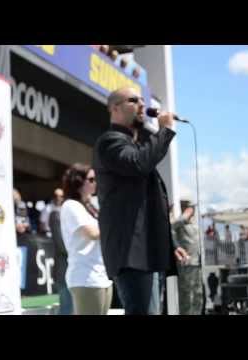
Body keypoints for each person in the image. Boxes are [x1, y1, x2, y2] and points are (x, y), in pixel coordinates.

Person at [93, 87, 188, 315]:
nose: (142, 105)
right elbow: (138, 163)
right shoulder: (110, 142)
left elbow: (145, 207)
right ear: (114, 108)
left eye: (143, 100)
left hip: (143, 250)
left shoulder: (130, 143)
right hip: (129, 251)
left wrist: (169, 244)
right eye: (134, 100)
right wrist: (164, 130)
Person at [60, 163, 113, 315]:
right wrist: (115, 223)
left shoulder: (91, 205)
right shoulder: (71, 206)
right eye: (91, 179)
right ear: (78, 182)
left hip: (101, 275)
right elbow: (93, 233)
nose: (95, 182)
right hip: (85, 277)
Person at [171, 199, 204, 315]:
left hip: (197, 264)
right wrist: (183, 217)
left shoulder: (193, 224)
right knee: (187, 297)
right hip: (186, 265)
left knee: (198, 295)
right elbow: (170, 227)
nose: (193, 210)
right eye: (191, 208)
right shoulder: (179, 222)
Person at [48, 204, 74, 315]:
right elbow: (61, 245)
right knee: (67, 308)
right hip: (64, 270)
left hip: (78, 271)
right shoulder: (56, 215)